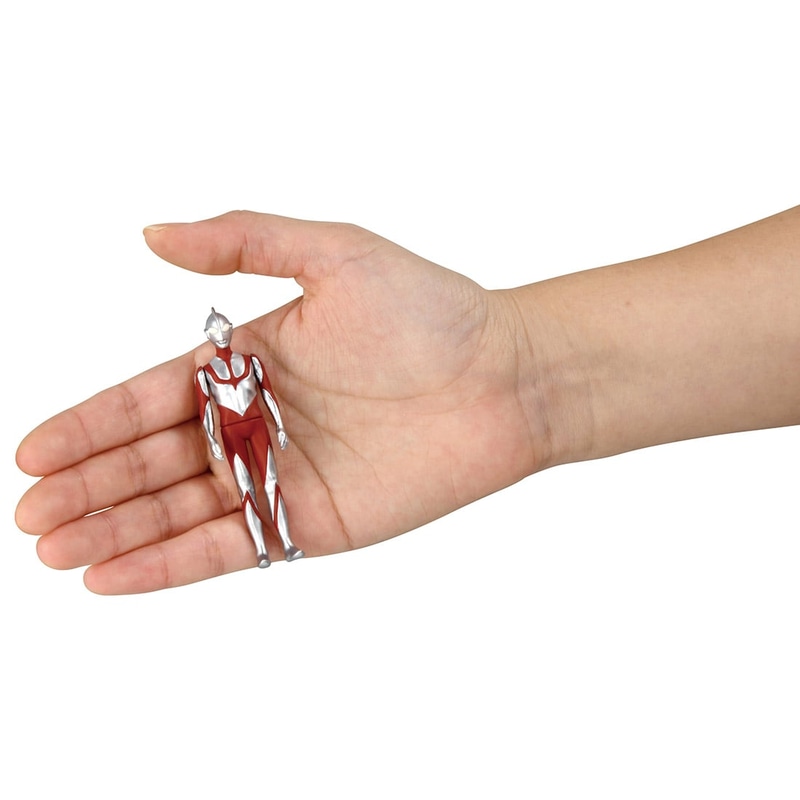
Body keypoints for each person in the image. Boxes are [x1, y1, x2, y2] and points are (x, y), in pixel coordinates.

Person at [14, 208, 800, 594]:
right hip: (238, 435)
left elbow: (266, 409)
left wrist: (276, 430)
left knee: (269, 491)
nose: (222, 335)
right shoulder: (209, 378)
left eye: (223, 330)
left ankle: (276, 539)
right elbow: (214, 430)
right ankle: (268, 541)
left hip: (261, 428)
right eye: (216, 331)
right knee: (250, 496)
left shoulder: (246, 363)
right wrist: (524, 367)